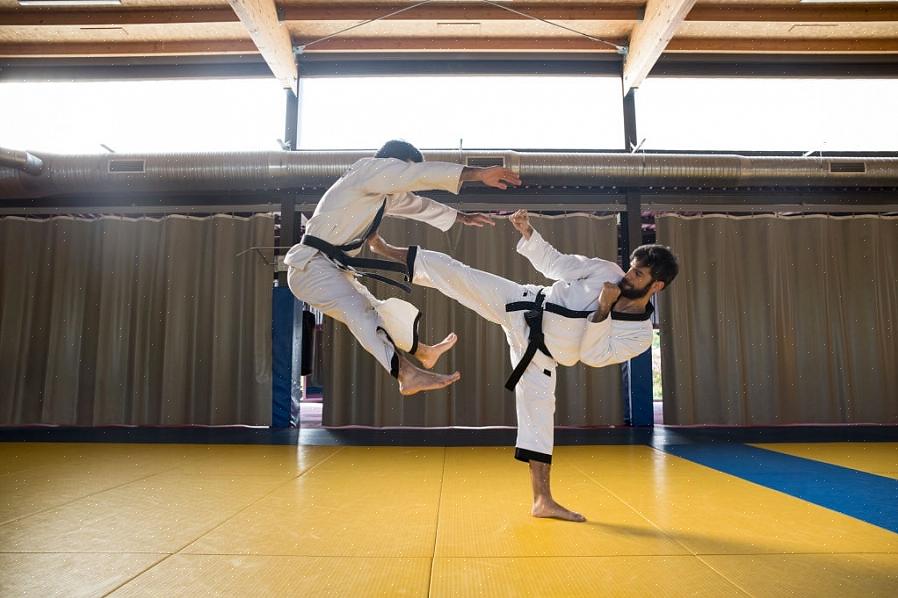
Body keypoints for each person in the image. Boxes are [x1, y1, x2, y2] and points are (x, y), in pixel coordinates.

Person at [367, 209, 678, 521]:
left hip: (540, 356)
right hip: (523, 305)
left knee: (539, 420)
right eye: (631, 268)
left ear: (657, 286)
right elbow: (556, 264)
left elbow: (593, 356)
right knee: (460, 275)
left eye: (638, 275)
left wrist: (603, 307)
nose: (627, 276)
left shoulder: (638, 334)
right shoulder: (606, 271)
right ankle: (384, 249)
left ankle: (542, 501)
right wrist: (529, 232)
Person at [284, 140, 520, 395]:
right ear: (390, 164)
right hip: (309, 265)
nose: (404, 182)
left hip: (332, 269)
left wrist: (462, 217)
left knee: (378, 311)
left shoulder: (387, 196)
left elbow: (420, 206)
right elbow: (415, 176)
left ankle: (423, 352)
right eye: (403, 173)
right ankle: (406, 374)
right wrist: (478, 174)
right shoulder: (366, 171)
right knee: (360, 310)